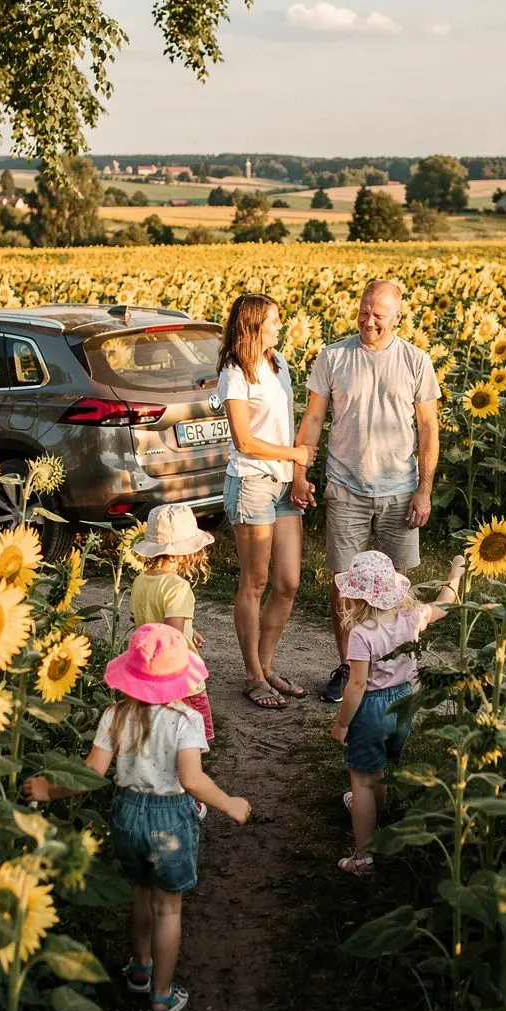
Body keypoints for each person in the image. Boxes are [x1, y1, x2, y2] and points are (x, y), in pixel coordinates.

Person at [24, 623, 251, 1011]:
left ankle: (140, 968)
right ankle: (161, 996)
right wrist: (228, 803)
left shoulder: (116, 715)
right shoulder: (186, 720)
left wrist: (48, 789)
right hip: (170, 820)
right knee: (168, 908)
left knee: (142, 894)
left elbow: (91, 773)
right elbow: (191, 780)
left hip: (127, 815)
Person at [292, 279, 440, 703]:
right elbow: (314, 418)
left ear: (398, 317)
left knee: (399, 585)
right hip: (346, 485)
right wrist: (300, 472)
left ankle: (393, 666)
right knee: (344, 583)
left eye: (378, 315)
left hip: (400, 488)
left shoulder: (415, 361)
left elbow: (429, 429)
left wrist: (424, 490)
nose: (368, 321)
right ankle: (349, 665)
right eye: (363, 312)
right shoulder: (334, 356)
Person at [330, 550, 465, 874]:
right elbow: (446, 603)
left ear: (356, 597)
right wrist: (456, 573)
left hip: (372, 709)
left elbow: (357, 685)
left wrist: (342, 724)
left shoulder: (362, 633)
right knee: (380, 770)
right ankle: (374, 815)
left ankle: (364, 857)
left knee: (362, 781)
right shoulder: (412, 616)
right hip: (404, 705)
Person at [218, 292, 315, 709]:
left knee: (288, 582)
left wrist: (298, 474)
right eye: (274, 320)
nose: (280, 326)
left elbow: (287, 425)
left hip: (283, 484)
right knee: (254, 583)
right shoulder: (234, 371)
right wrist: (295, 455)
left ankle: (267, 664)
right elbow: (243, 440)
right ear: (254, 325)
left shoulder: (279, 363)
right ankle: (253, 675)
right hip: (252, 482)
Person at [131, 502, 216, 747]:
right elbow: (173, 637)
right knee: (195, 736)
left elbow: (152, 618)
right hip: (182, 678)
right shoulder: (178, 587)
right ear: (186, 552)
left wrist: (190, 629)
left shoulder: (141, 581)